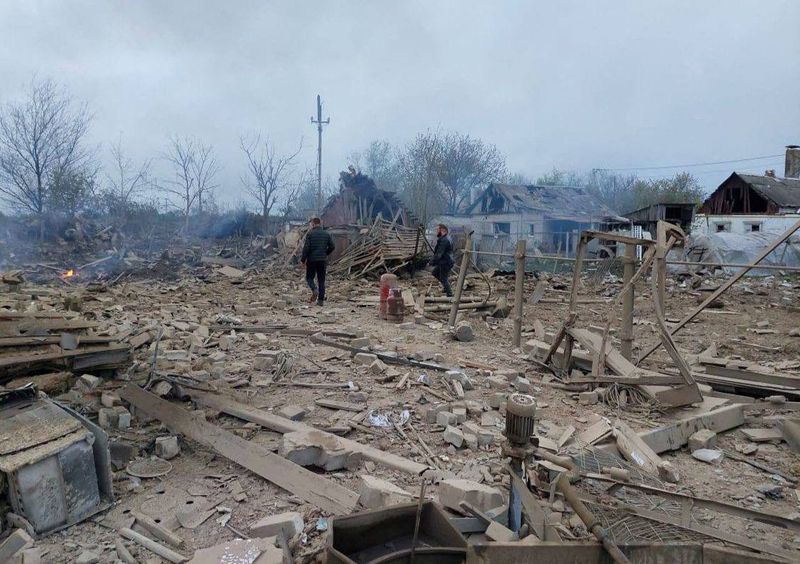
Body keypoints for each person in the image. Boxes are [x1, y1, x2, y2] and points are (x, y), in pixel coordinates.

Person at [301, 217, 335, 306]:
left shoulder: (310, 234)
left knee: (309, 278)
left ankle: (314, 289)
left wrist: (303, 260)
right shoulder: (326, 234)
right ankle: (320, 301)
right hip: (322, 260)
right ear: (320, 223)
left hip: (312, 260)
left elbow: (306, 248)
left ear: (313, 224)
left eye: (311, 223)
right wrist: (325, 253)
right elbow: (332, 246)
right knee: (321, 281)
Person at [431, 223, 454, 297]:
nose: (436, 231)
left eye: (437, 230)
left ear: (442, 230)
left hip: (445, 262)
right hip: (446, 261)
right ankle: (446, 286)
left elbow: (439, 254)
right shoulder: (446, 238)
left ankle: (450, 294)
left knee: (443, 278)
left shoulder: (444, 240)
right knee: (435, 273)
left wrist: (431, 262)